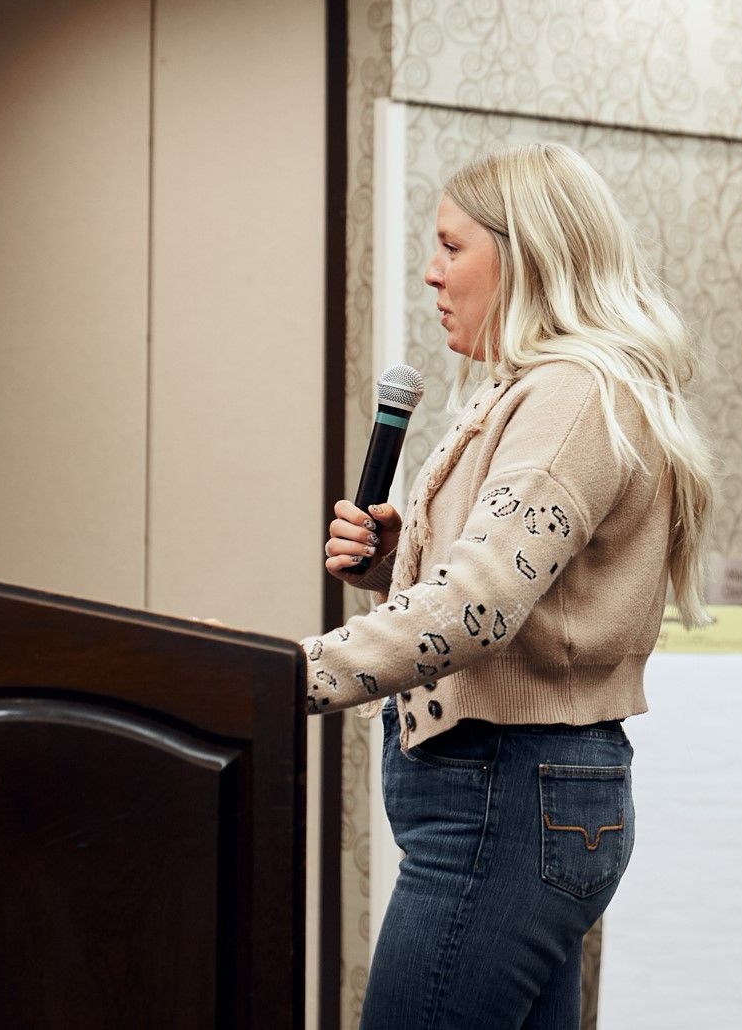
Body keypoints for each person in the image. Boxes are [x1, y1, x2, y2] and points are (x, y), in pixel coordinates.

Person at [303, 142, 714, 1029]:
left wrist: (286, 675)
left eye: (452, 247)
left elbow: (474, 610)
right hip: (529, 798)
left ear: (525, 253)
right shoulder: (547, 389)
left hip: (503, 803)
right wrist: (395, 561)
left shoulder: (568, 395)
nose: (430, 272)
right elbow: (523, 589)